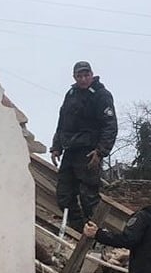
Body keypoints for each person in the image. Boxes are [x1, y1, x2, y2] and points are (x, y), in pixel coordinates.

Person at [50, 61, 118, 227]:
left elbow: (110, 125)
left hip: (89, 151)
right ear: (74, 77)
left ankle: (95, 234)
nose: (83, 79)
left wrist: (101, 151)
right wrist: (56, 146)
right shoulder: (71, 94)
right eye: (79, 76)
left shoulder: (101, 95)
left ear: (92, 75)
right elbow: (62, 122)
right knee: (64, 195)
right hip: (70, 149)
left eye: (86, 75)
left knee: (88, 196)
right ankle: (77, 230)